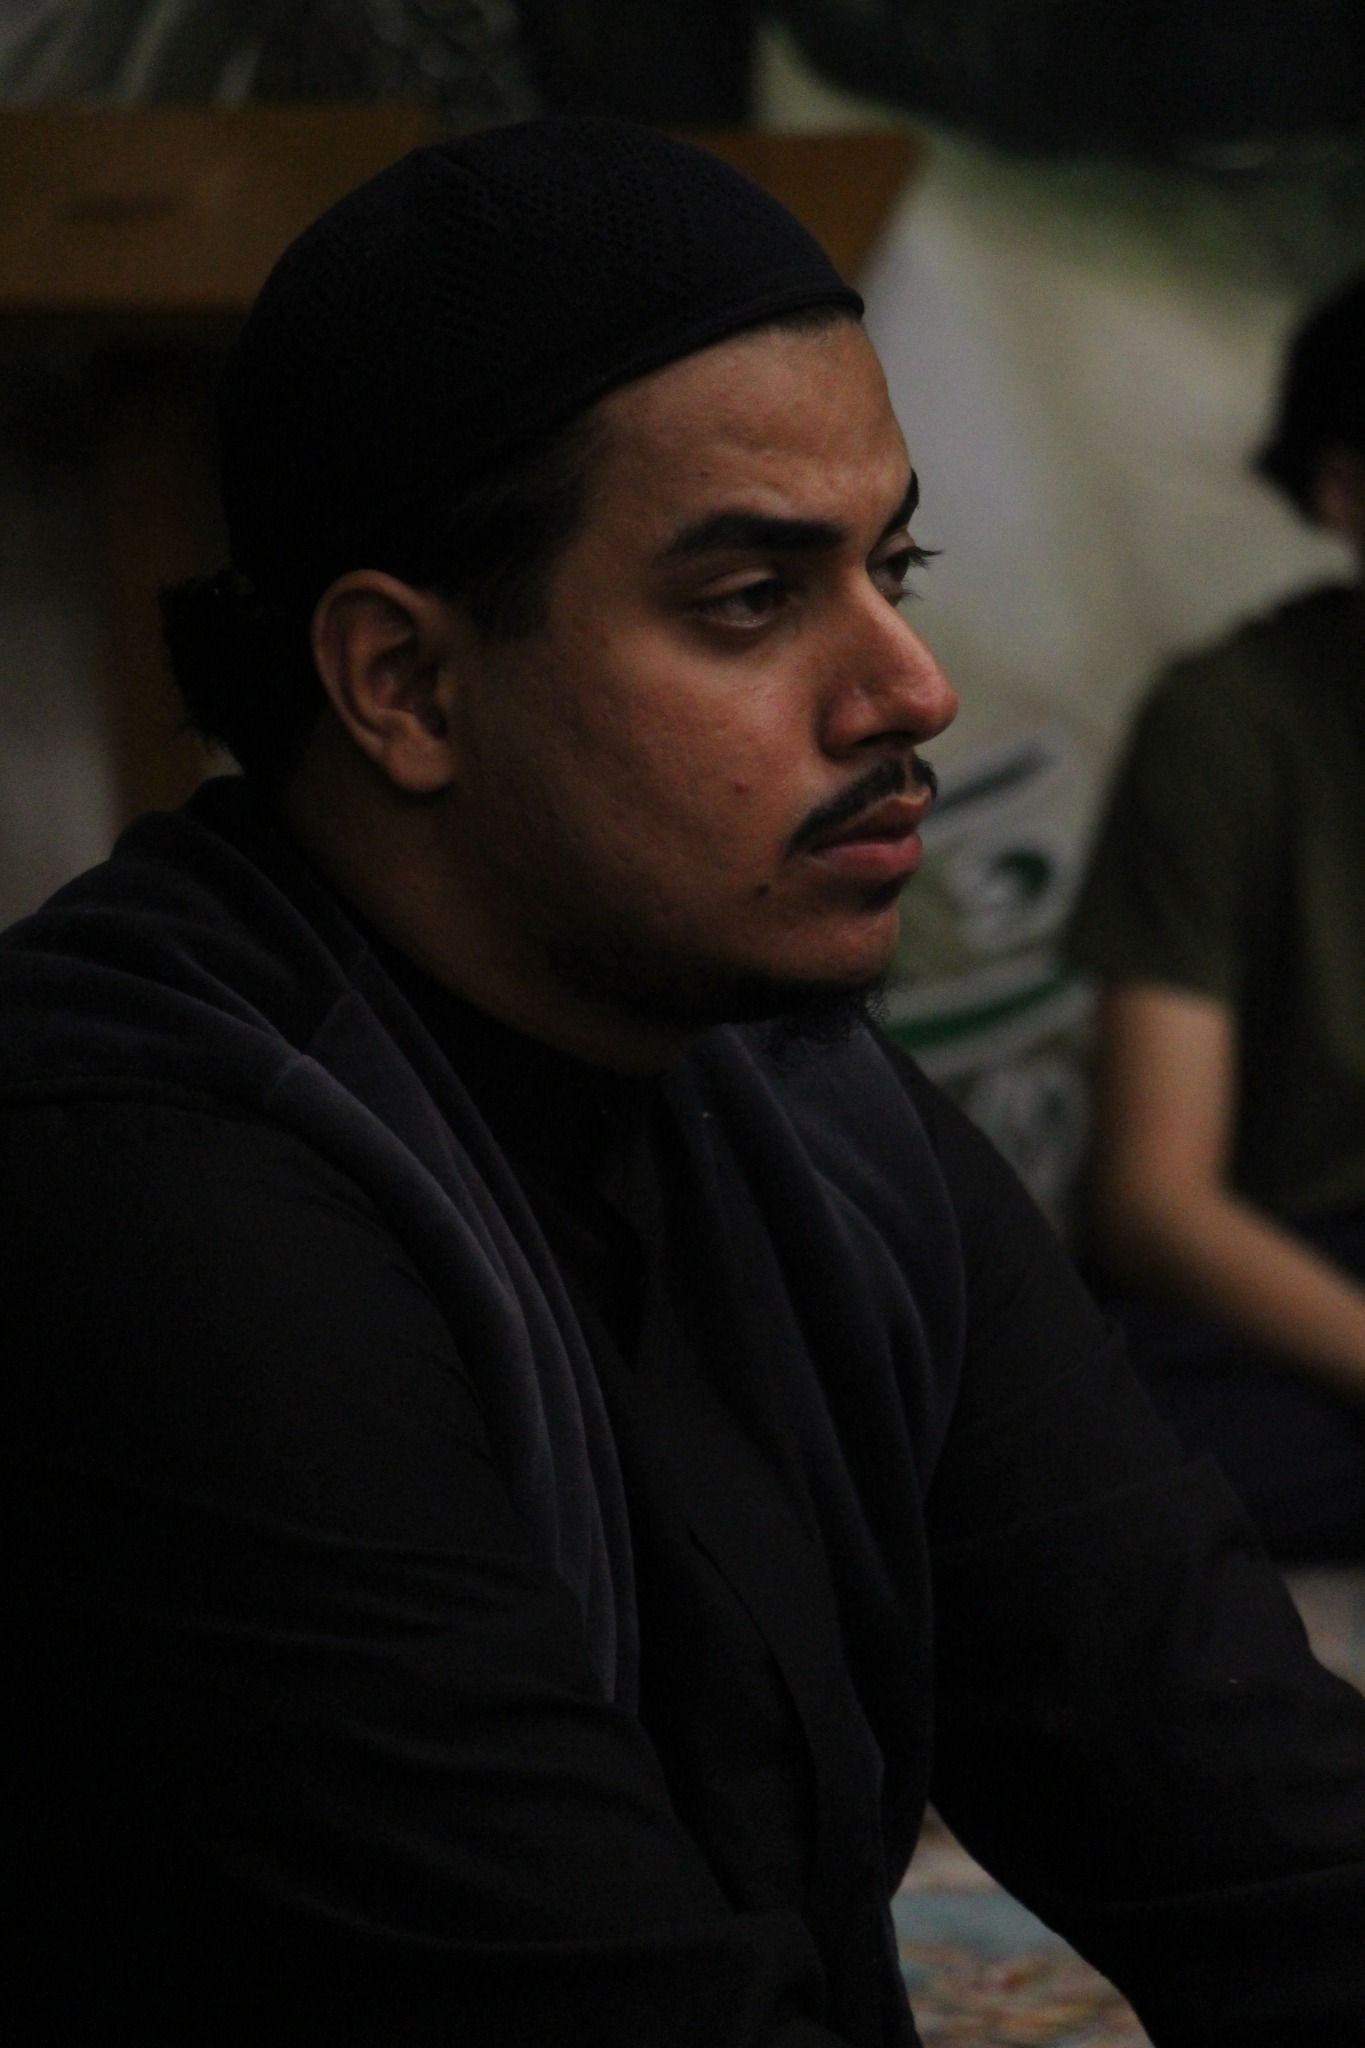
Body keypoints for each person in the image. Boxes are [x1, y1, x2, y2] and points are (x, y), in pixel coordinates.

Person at [3, 122, 1365, 2048]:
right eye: (748, 599)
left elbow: (1251, 1818)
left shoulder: (810, 1111)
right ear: (403, 683)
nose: (909, 691)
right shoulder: (149, 1196)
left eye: (894, 566)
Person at [1068, 273, 1365, 1565]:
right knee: (1114, 1467)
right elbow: (1154, 1200)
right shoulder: (1229, 725)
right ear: (1344, 493)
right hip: (1282, 1279)